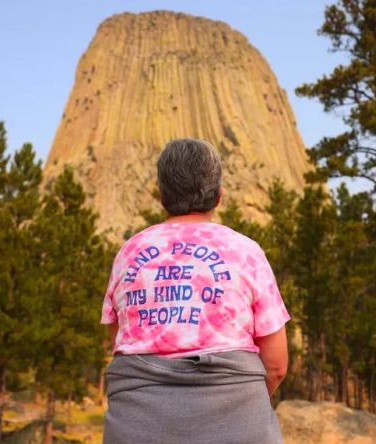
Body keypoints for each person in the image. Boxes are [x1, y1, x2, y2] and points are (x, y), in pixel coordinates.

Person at [101, 138, 290, 444]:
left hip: (137, 428)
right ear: (218, 196)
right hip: (240, 426)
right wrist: (238, 406)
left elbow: (119, 340)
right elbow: (277, 365)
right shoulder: (246, 251)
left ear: (161, 195)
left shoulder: (129, 252)